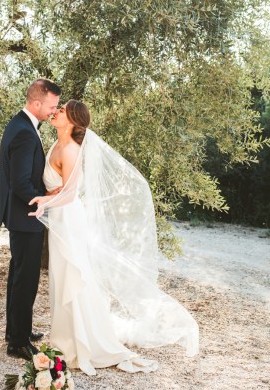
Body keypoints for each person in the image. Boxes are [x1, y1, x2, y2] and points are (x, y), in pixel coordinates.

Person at [29, 100, 199, 375]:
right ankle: (65, 339)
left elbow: (70, 194)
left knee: (74, 276)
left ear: (71, 120)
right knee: (62, 278)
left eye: (61, 111)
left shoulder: (70, 148)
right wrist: (49, 196)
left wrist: (43, 203)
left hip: (69, 220)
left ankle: (83, 341)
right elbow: (62, 186)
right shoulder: (57, 144)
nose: (56, 112)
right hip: (61, 218)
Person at [0, 79, 61, 360]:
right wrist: (44, 200)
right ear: (36, 103)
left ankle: (17, 330)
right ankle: (18, 342)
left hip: (21, 216)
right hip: (26, 215)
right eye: (51, 106)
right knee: (26, 279)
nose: (54, 111)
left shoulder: (20, 124)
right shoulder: (23, 131)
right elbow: (21, 183)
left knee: (19, 275)